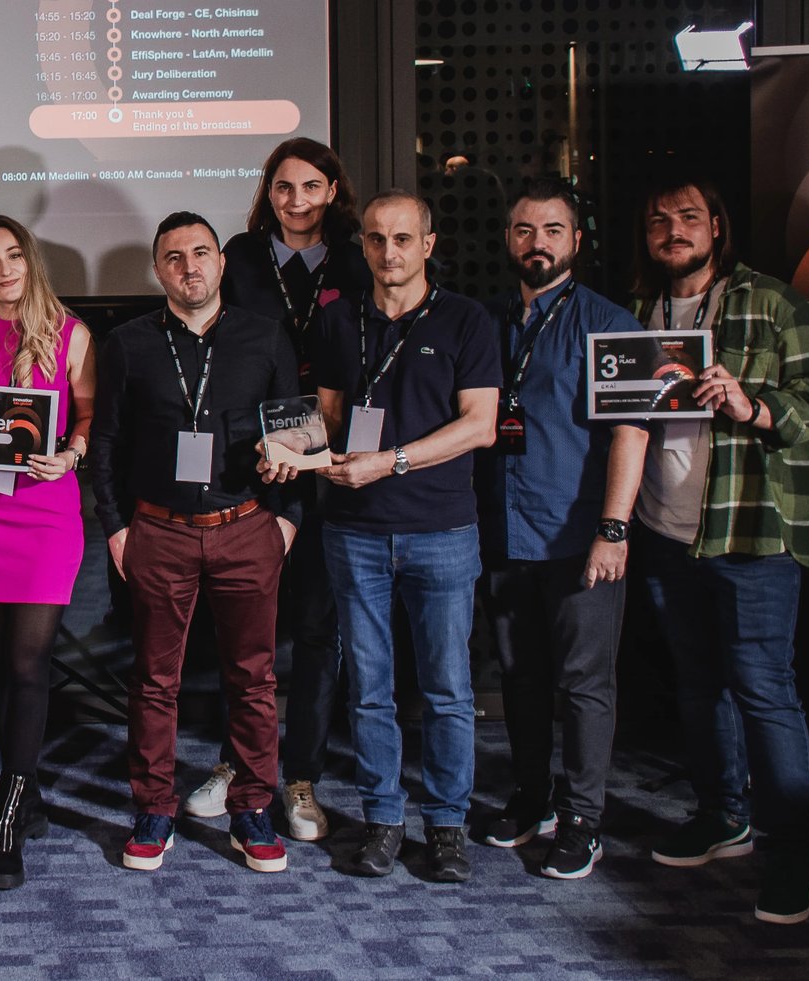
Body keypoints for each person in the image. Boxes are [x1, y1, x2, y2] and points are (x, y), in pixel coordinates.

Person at [628, 176, 809, 924]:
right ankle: (725, 816)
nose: (672, 229)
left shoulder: (771, 301)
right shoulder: (638, 311)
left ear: (716, 226)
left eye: (687, 216)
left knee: (763, 690)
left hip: (750, 533)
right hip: (666, 531)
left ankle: (792, 860)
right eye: (659, 219)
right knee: (697, 684)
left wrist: (752, 404)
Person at [87, 212, 301, 875]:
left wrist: (285, 520)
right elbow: (106, 446)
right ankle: (154, 807)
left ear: (221, 262)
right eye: (174, 257)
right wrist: (118, 527)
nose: (189, 266)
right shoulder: (127, 342)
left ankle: (252, 808)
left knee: (254, 679)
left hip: (246, 527)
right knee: (154, 681)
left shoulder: (265, 337)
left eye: (201, 252)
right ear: (160, 271)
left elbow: (295, 431)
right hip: (159, 531)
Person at [313, 189, 499, 883]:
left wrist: (389, 460)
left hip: (442, 530)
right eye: (374, 239)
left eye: (401, 238)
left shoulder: (466, 320)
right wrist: (296, 449)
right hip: (355, 532)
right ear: (360, 245)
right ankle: (383, 818)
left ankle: (447, 825)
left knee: (448, 688)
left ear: (427, 244)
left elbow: (480, 425)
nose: (387, 252)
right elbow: (330, 421)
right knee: (369, 687)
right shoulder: (337, 322)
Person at [473, 178, 649, 881]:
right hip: (502, 532)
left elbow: (631, 434)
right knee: (520, 675)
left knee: (583, 683)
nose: (535, 242)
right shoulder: (484, 322)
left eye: (551, 230)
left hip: (580, 537)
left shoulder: (618, 325)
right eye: (523, 230)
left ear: (576, 240)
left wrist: (614, 528)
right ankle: (533, 797)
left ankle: (584, 818)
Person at [208, 138, 372, 841]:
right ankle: (234, 762)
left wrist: (344, 448)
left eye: (310, 186)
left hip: (334, 456)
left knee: (315, 626)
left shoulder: (362, 256)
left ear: (333, 189)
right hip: (254, 457)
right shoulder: (239, 257)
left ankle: (301, 775)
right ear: (267, 192)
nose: (296, 200)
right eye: (282, 187)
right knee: (244, 630)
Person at [0, 216, 94, 888]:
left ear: (29, 262)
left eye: (12, 257)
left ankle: (6, 813)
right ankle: (19, 781)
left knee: (30, 662)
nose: (2, 271)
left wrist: (71, 454)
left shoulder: (71, 334)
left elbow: (89, 417)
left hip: (45, 513)